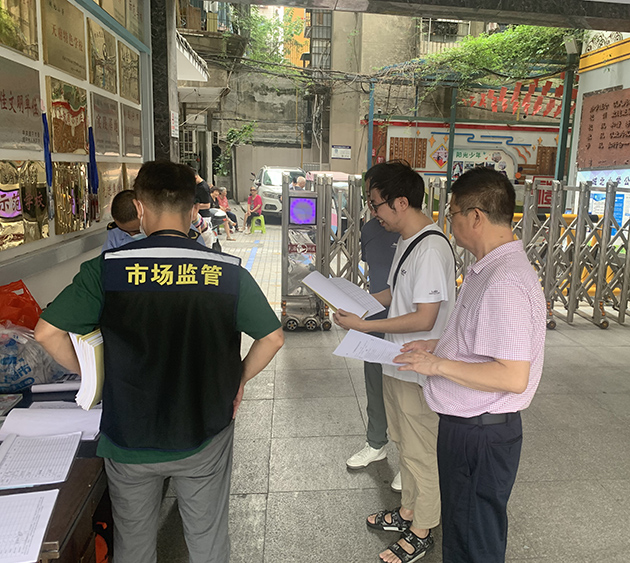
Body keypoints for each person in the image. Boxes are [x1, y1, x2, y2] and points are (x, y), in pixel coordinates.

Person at [34, 160, 284, 563]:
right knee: (207, 542)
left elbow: (47, 333)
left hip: (128, 437)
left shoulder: (107, 270)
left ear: (139, 207)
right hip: (204, 431)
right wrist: (238, 378)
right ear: (192, 209)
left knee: (133, 547)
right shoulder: (227, 272)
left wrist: (96, 377)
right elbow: (272, 337)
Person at [395, 167, 546, 563]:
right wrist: (438, 346)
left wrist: (436, 366)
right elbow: (480, 342)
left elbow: (512, 375)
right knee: (464, 532)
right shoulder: (489, 270)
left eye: (452, 214)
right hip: (471, 427)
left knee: (473, 540)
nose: (449, 223)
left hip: (480, 433)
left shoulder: (504, 282)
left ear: (475, 216)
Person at [334, 161, 455, 563]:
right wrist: (359, 306)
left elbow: (425, 317)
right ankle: (408, 512)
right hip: (397, 360)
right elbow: (392, 293)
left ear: (400, 202)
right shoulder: (408, 239)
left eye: (376, 204)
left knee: (421, 452)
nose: (374, 214)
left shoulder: (431, 248)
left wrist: (366, 326)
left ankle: (422, 530)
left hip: (417, 366)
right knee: (404, 443)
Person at [345, 164, 401, 492]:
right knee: (374, 382)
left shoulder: (418, 237)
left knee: (407, 393)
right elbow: (377, 278)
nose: (371, 205)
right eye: (368, 198)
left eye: (374, 198)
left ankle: (410, 459)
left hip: (410, 326)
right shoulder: (369, 230)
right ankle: (375, 442)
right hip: (375, 319)